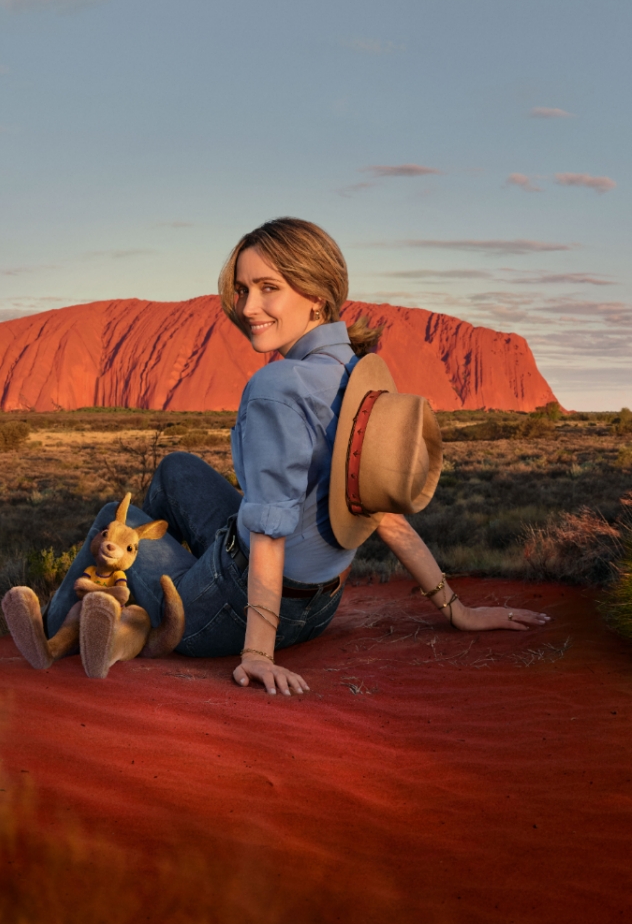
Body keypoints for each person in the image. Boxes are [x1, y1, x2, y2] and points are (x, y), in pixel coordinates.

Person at [45, 217, 550, 696]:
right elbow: (381, 508)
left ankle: (72, 625)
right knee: (176, 468)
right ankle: (145, 594)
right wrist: (454, 606)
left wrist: (258, 654)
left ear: (317, 296)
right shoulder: (355, 373)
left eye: (269, 288)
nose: (247, 308)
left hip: (230, 612)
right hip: (319, 608)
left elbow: (268, 531)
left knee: (116, 521)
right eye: (244, 290)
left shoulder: (277, 386)